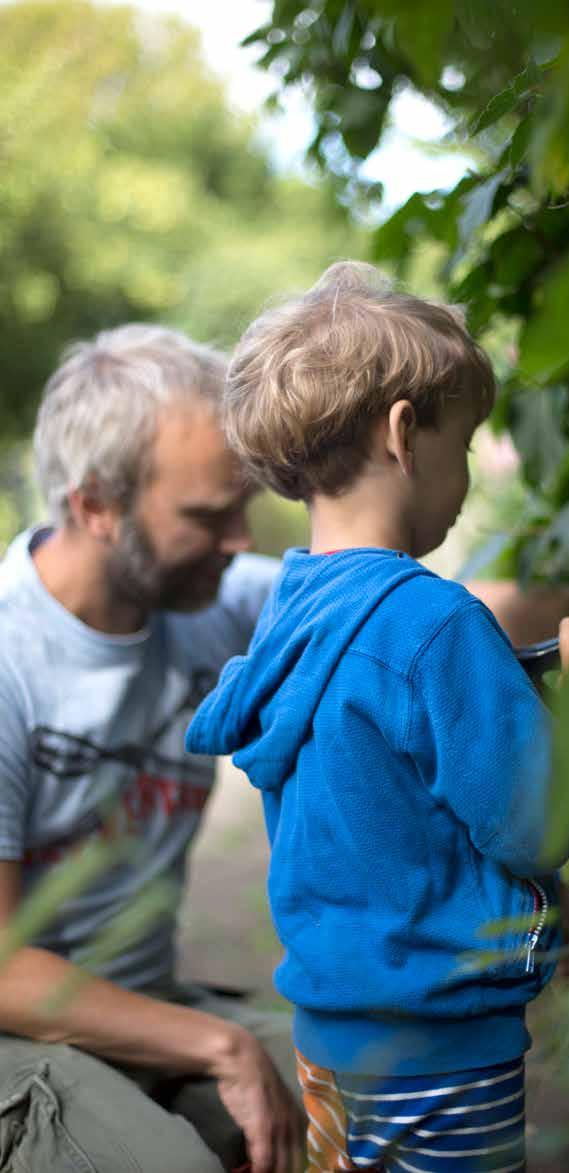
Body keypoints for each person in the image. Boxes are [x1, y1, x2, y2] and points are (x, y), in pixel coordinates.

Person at [187, 263, 569, 1172]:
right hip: (439, 1055)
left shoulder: (293, 610)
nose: (464, 473)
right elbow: (534, 824)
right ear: (403, 433)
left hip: (328, 1039)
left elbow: (394, 805)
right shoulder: (434, 623)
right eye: (462, 443)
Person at [0, 325, 304, 1173]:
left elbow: (385, 613)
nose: (240, 538)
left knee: (388, 1100)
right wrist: (220, 1046)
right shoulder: (8, 662)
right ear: (96, 506)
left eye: (241, 506)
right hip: (14, 1032)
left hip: (151, 1001)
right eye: (210, 515)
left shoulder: (205, 594)